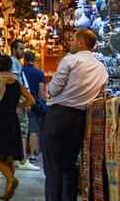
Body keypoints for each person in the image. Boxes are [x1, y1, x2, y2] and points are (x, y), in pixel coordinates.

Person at [43, 29, 108, 201]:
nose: (70, 43)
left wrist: (48, 89)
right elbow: (101, 96)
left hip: (59, 116)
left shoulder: (71, 60)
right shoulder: (101, 68)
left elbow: (54, 89)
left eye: (72, 40)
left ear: (81, 43)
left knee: (52, 167)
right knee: (69, 165)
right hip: (80, 119)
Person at [0, 55, 35, 200]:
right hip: (13, 118)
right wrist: (18, 106)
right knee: (10, 155)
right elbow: (31, 100)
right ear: (11, 67)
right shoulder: (17, 84)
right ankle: (6, 191)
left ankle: (10, 179)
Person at [9, 40, 39, 172]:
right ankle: (22, 159)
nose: (23, 52)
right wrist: (24, 99)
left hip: (17, 100)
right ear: (14, 50)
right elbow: (16, 82)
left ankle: (17, 158)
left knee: (19, 130)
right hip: (20, 101)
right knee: (23, 130)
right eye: (21, 49)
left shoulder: (15, 63)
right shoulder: (14, 62)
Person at [22, 50, 46, 163]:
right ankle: (31, 155)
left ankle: (22, 155)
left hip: (22, 102)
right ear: (34, 60)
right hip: (34, 103)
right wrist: (43, 104)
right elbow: (41, 90)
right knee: (33, 130)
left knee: (23, 130)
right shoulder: (39, 73)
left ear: (24, 60)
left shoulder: (21, 71)